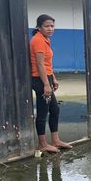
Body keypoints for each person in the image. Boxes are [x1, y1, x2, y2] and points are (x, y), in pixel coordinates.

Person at [29, 14, 72, 152]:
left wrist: (53, 78)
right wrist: (46, 85)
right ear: (39, 27)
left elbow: (47, 64)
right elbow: (40, 64)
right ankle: (42, 144)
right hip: (39, 79)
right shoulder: (38, 40)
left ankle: (55, 140)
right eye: (46, 26)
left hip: (46, 77)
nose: (50, 28)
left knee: (54, 110)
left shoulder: (45, 39)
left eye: (52, 26)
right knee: (42, 112)